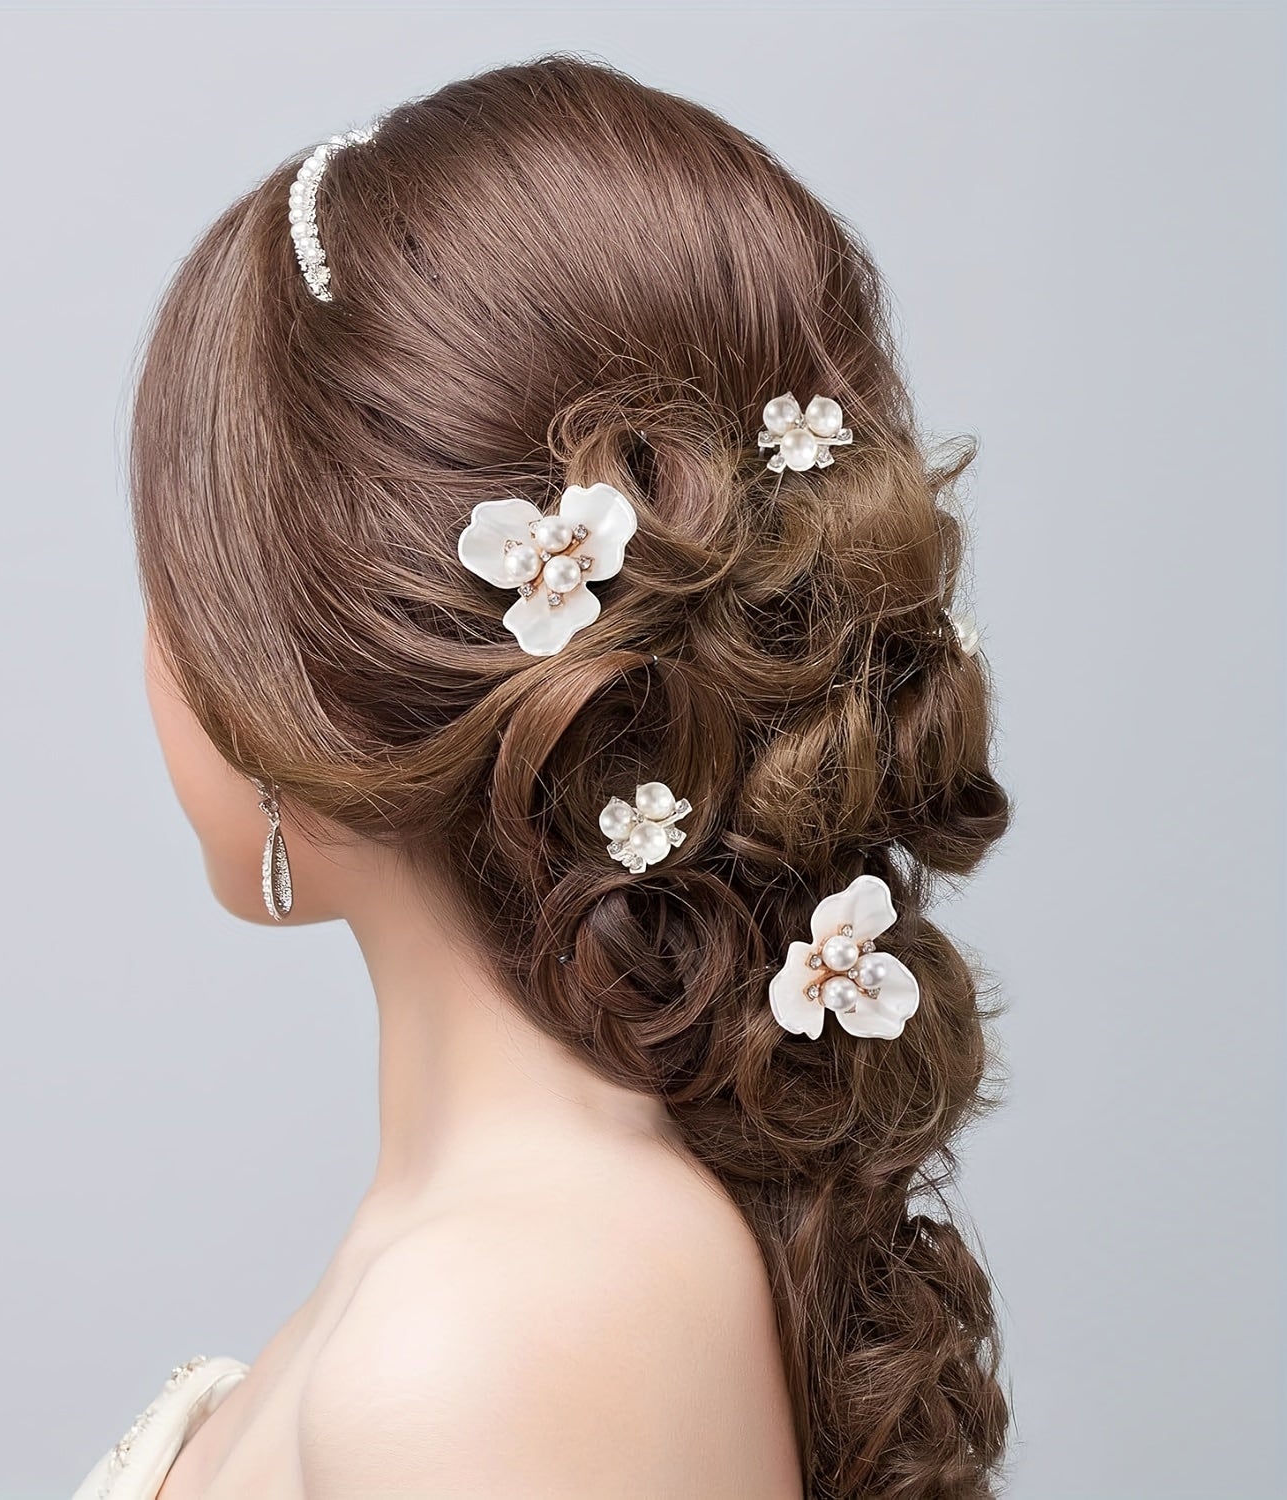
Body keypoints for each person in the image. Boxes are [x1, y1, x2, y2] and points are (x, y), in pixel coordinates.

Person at [74, 53, 1012, 1500]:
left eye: (176, 575)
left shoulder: (490, 1334)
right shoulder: (501, 1275)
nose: (154, 644)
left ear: (299, 675)